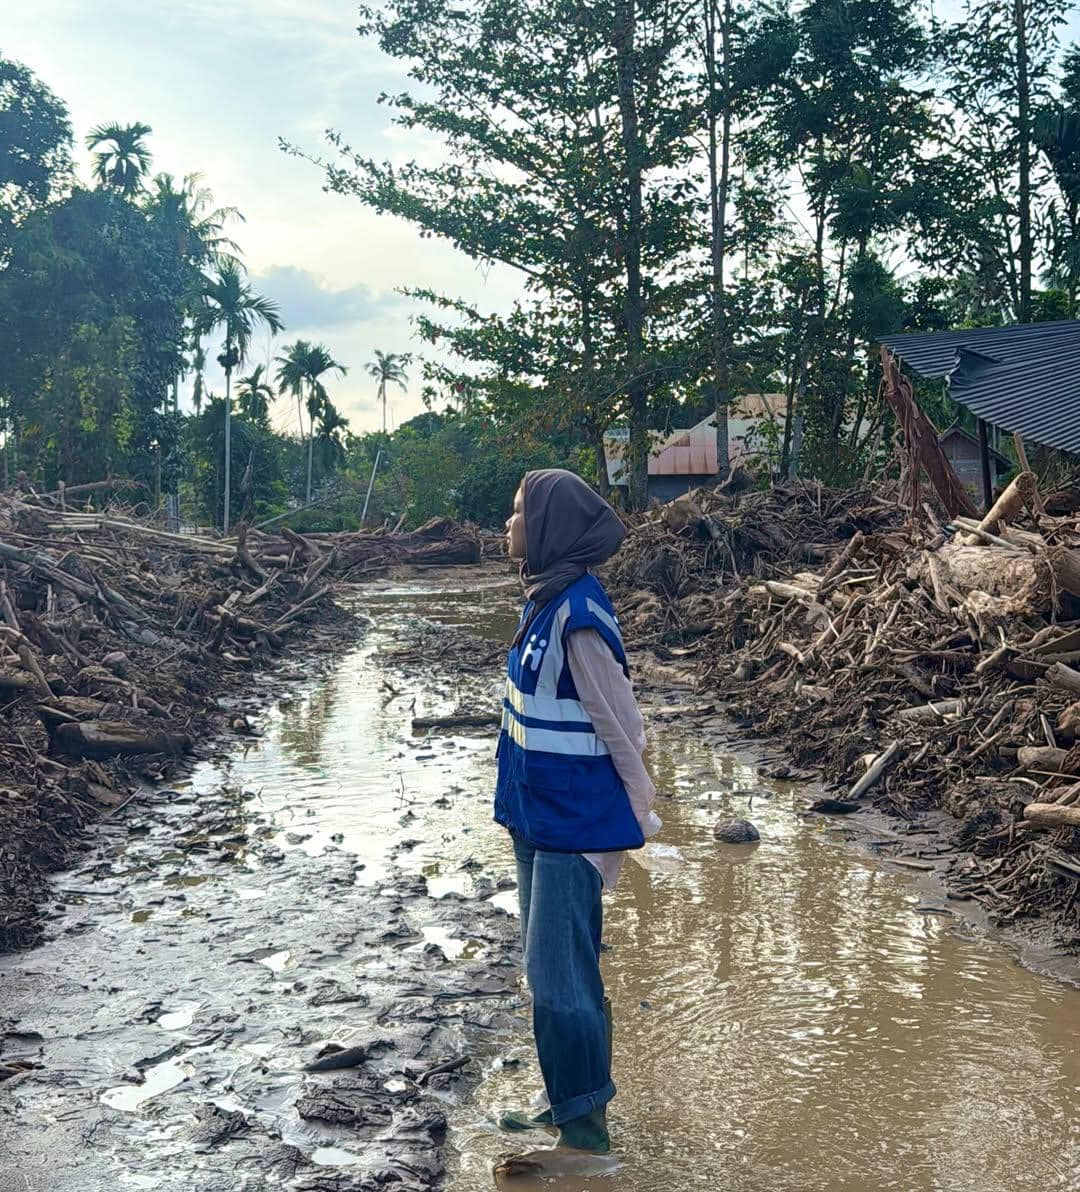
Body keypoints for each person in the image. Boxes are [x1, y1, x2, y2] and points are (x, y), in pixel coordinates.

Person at [494, 468, 661, 1155]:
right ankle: (567, 1099)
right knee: (549, 973)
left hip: (572, 823)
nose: (508, 524)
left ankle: (586, 1136)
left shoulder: (579, 616)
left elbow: (622, 724)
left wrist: (636, 813)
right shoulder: (544, 598)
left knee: (564, 980)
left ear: (550, 528)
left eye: (518, 512)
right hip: (535, 814)